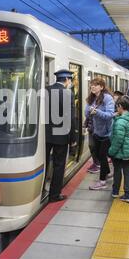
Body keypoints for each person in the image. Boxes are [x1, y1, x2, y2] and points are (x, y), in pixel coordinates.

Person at [45, 69, 76, 202]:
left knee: (44, 162)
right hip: (61, 136)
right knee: (59, 165)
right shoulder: (68, 94)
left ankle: (40, 190)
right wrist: (73, 139)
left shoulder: (45, 90)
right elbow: (71, 118)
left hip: (45, 136)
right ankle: (54, 195)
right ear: (67, 80)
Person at [108, 95, 129, 203]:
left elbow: (118, 140)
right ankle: (128, 194)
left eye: (117, 106)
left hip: (120, 153)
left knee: (117, 171)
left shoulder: (120, 122)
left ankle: (115, 191)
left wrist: (111, 151)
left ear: (120, 106)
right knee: (128, 173)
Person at [87, 78, 115, 190]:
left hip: (107, 133)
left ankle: (102, 181)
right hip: (97, 131)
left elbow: (110, 115)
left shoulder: (108, 98)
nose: (92, 87)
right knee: (98, 155)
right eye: (91, 85)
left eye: (96, 85)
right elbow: (87, 112)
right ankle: (107, 172)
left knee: (103, 156)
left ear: (102, 87)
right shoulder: (92, 98)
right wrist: (88, 110)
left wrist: (96, 112)